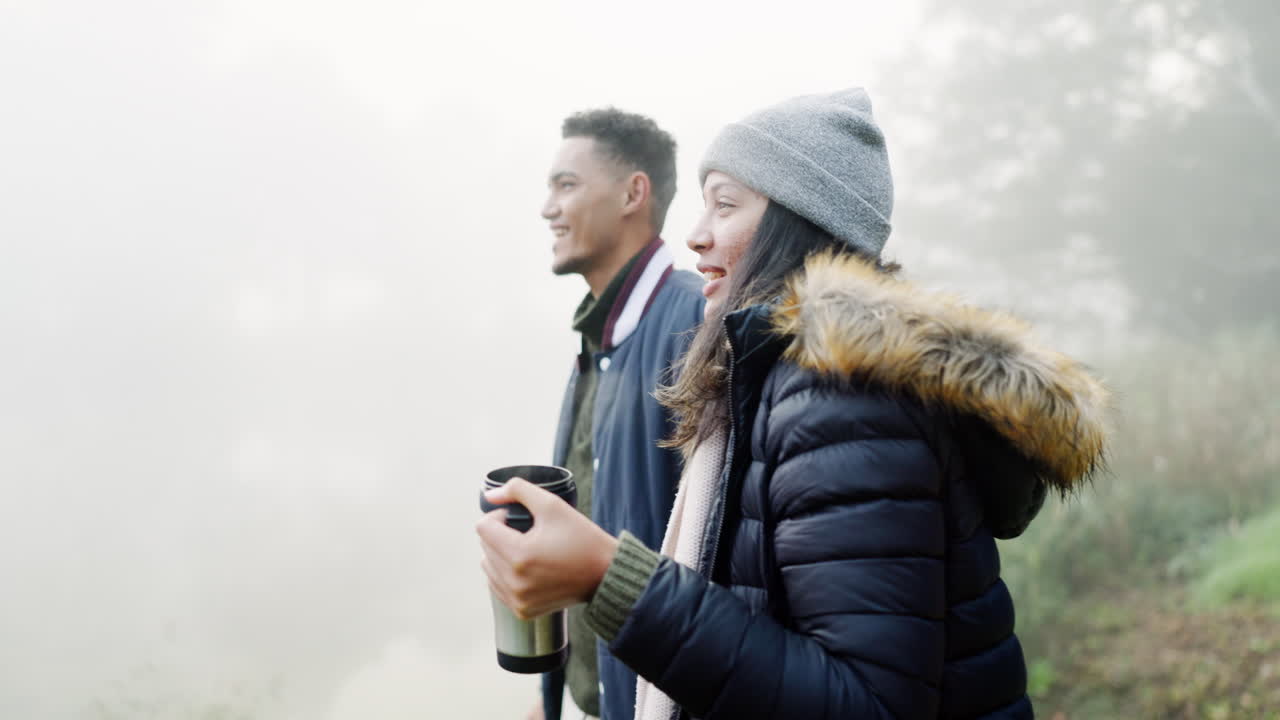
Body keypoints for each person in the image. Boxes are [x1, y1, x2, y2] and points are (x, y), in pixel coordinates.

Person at [480, 88, 1110, 719]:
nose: (695, 237)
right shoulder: (778, 377)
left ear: (799, 223)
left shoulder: (846, 398)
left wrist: (607, 579)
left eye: (725, 206)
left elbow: (868, 705)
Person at [534, 108, 705, 720]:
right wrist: (549, 695)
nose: (547, 208)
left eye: (566, 185)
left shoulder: (696, 326)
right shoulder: (597, 337)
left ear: (635, 192)